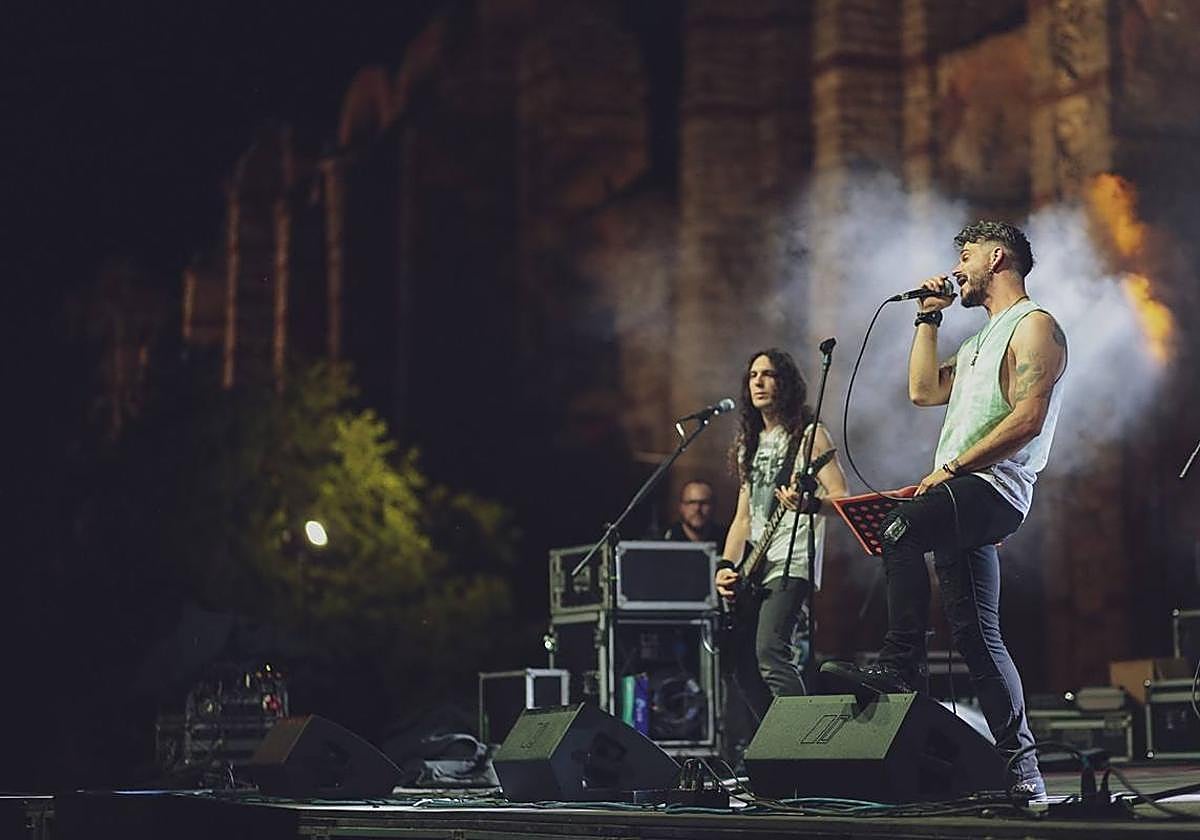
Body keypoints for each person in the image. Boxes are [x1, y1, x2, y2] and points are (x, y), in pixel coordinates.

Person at [821, 221, 1067, 801]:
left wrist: (952, 471)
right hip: (966, 492)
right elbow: (923, 390)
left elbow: (1027, 419)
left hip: (993, 486)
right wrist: (929, 316)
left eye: (966, 255)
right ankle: (1021, 771)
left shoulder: (1034, 327)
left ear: (997, 256)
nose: (957, 266)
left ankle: (902, 663)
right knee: (978, 636)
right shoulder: (978, 340)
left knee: (899, 526)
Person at [714, 348, 848, 722]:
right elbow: (743, 518)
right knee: (740, 663)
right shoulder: (749, 444)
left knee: (770, 651)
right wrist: (727, 565)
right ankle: (773, 740)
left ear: (785, 383)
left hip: (794, 558)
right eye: (753, 375)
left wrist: (810, 506)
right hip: (755, 565)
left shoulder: (809, 436)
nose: (758, 381)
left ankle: (802, 746)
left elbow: (841, 496)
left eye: (768, 374)